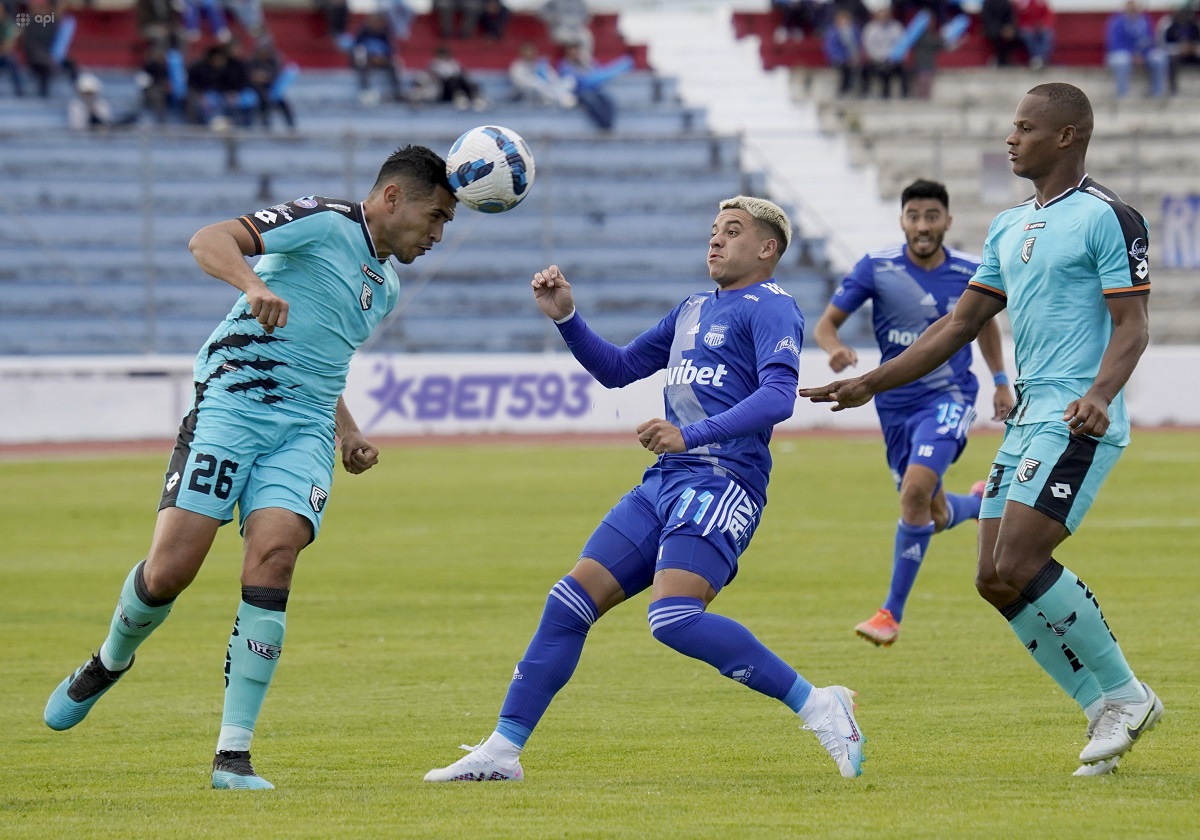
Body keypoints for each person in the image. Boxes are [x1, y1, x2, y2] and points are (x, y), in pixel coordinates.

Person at [43, 146, 458, 790]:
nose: (437, 235)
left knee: (275, 558)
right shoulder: (324, 221)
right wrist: (254, 284)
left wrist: (348, 433)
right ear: (394, 198)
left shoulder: (389, 286)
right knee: (169, 573)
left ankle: (232, 757)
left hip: (306, 430)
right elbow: (208, 239)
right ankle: (109, 659)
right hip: (234, 405)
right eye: (435, 217)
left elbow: (322, 357)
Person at [425, 196, 867, 784]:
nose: (715, 240)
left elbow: (778, 397)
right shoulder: (690, 310)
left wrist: (691, 433)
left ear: (767, 249)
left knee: (674, 617)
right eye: (713, 230)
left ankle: (819, 705)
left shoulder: (771, 307)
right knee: (567, 604)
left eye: (732, 232)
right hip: (664, 482)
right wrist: (567, 318)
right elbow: (618, 368)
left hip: (722, 481)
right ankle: (503, 752)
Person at [800, 83, 1161, 776]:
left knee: (1020, 562)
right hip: (1028, 416)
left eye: (1025, 127)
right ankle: (1104, 705)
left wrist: (1100, 394)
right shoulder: (1008, 225)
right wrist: (868, 381)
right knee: (993, 578)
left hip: (1077, 414)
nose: (1010, 138)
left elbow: (1132, 325)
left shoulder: (1109, 217)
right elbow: (958, 325)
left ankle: (1125, 694)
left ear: (1065, 136)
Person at [812, 179, 1011, 647]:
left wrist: (1001, 381)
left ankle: (889, 615)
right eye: (914, 217)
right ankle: (981, 504)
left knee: (916, 492)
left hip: (949, 396)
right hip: (895, 404)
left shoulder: (969, 269)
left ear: (947, 221)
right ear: (902, 220)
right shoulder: (876, 267)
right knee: (932, 512)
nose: (923, 226)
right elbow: (826, 325)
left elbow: (983, 326)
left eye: (932, 217)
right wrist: (836, 348)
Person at [557, 40, 632, 131]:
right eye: (572, 50)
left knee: (608, 100)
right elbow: (578, 81)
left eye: (577, 50)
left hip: (593, 91)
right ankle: (603, 126)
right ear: (568, 51)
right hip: (578, 93)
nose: (575, 52)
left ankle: (609, 125)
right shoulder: (565, 65)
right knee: (591, 101)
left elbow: (597, 73)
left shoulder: (585, 63)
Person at [1105, 0, 1169, 99]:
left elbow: (1150, 40)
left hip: (1143, 54)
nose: (1133, 10)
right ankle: (1122, 95)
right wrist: (1132, 55)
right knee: (1122, 61)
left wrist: (1143, 54)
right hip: (1122, 54)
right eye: (1131, 7)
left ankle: (1157, 93)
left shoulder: (1145, 21)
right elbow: (1115, 44)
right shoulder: (1116, 22)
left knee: (1159, 58)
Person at [508, 40, 575, 106]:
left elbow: (553, 78)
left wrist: (549, 80)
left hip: (549, 88)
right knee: (537, 84)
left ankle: (557, 98)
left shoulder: (541, 64)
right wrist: (537, 81)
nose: (529, 53)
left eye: (531, 50)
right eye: (527, 51)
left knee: (569, 80)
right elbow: (520, 83)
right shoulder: (517, 66)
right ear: (522, 52)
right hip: (530, 92)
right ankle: (561, 98)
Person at [862, 6, 908, 98]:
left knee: (905, 70)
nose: (883, 19)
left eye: (885, 16)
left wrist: (893, 57)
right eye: (881, 16)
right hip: (876, 60)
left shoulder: (896, 27)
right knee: (866, 69)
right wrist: (880, 58)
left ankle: (905, 94)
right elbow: (869, 46)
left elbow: (902, 43)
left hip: (893, 60)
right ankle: (865, 93)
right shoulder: (870, 28)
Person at [1159, 1, 1200, 95]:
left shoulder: (1194, 23)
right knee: (1171, 60)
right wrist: (1178, 48)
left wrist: (1192, 47)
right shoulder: (1166, 23)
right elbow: (1161, 45)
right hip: (1174, 54)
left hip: (1192, 53)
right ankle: (1173, 89)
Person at [823, 7, 866, 97]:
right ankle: (844, 90)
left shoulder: (855, 31)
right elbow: (831, 48)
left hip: (854, 58)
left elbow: (859, 44)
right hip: (839, 59)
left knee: (864, 69)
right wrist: (842, 58)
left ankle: (861, 91)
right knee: (845, 69)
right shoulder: (833, 32)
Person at [1014, 0, 1055, 69]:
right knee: (1028, 35)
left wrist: (1042, 25)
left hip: (1040, 27)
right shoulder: (1021, 2)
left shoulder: (1041, 2)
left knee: (1047, 34)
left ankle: (1041, 59)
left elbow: (1048, 16)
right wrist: (1028, 27)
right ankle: (1037, 59)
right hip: (1026, 28)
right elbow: (1017, 18)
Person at [980, 0, 1021, 66]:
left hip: (1006, 28)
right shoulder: (987, 2)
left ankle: (1004, 58)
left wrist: (1009, 27)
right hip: (992, 28)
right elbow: (987, 19)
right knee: (996, 36)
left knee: (1019, 36)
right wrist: (1001, 29)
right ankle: (1001, 59)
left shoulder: (1005, 2)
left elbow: (1010, 17)